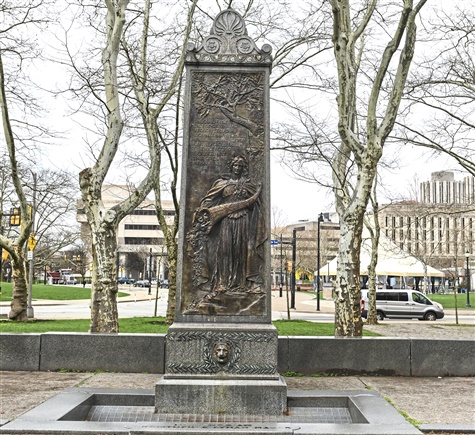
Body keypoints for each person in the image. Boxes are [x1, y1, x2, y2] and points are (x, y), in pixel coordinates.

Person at [187, 154, 265, 296]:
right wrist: (202, 212)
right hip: (226, 221)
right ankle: (222, 283)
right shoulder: (222, 184)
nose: (237, 168)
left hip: (243, 221)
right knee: (225, 251)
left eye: (240, 166)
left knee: (240, 252)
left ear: (244, 169)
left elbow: (256, 206)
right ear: (231, 166)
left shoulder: (248, 186)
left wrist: (253, 199)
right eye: (235, 165)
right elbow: (209, 200)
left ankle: (240, 283)